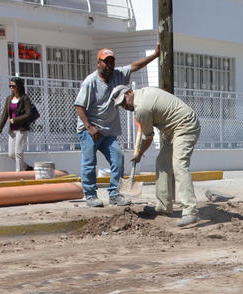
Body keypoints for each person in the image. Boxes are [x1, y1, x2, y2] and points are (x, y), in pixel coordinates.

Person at [74, 44, 159, 207]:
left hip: (108, 132)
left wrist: (155, 55)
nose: (109, 65)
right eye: (106, 62)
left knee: (118, 158)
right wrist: (89, 127)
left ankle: (114, 194)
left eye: (112, 62)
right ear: (98, 63)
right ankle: (90, 196)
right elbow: (79, 106)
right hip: (90, 130)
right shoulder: (90, 82)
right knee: (89, 162)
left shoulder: (118, 75)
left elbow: (135, 66)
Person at [111, 85, 201, 227]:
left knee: (179, 165)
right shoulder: (142, 94)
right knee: (162, 163)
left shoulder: (142, 108)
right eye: (121, 105)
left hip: (185, 126)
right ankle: (164, 206)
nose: (124, 106)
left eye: (124, 101)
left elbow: (148, 138)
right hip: (173, 130)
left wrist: (139, 154)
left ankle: (190, 211)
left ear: (129, 92)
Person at [0, 77, 35, 172]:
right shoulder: (9, 99)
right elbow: (5, 114)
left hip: (22, 129)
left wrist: (15, 120)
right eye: (10, 86)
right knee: (11, 154)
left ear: (19, 86)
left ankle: (19, 173)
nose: (11, 88)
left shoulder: (25, 98)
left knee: (18, 152)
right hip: (12, 130)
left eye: (13, 86)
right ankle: (26, 167)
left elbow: (28, 114)